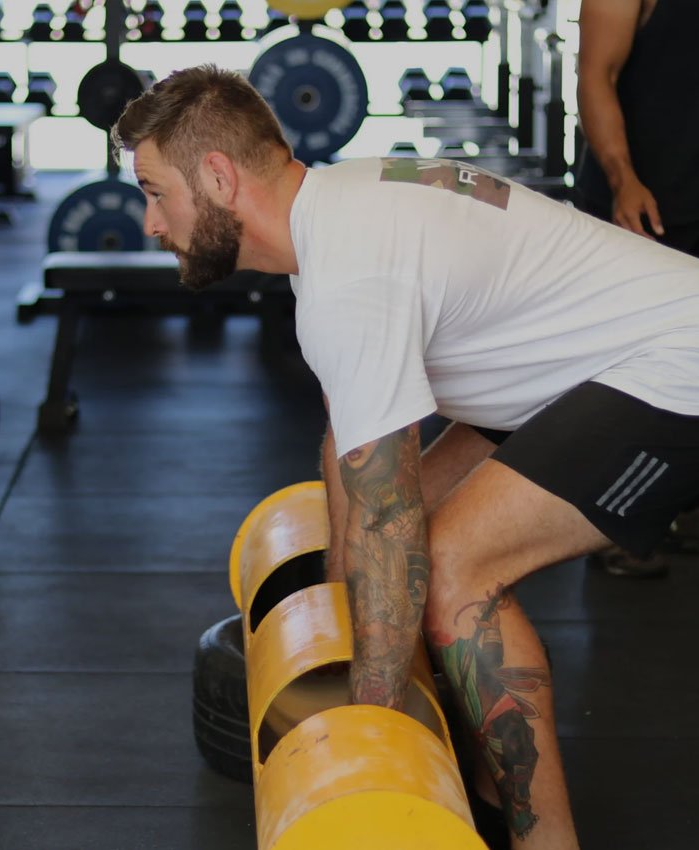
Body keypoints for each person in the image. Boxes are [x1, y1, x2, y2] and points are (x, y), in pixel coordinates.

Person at [111, 65, 699, 850]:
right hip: (576, 371)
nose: (151, 222)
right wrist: (338, 625)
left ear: (216, 177)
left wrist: (370, 732)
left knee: (453, 566)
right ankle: (487, 794)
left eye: (156, 191)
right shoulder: (337, 217)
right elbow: (354, 461)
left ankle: (545, 842)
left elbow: (389, 526)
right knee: (419, 539)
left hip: (672, 366)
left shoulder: (350, 274)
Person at [576, 0, 699, 577]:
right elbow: (595, 74)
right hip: (643, 202)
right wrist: (623, 179)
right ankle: (607, 528)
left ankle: (672, 510)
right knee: (629, 373)